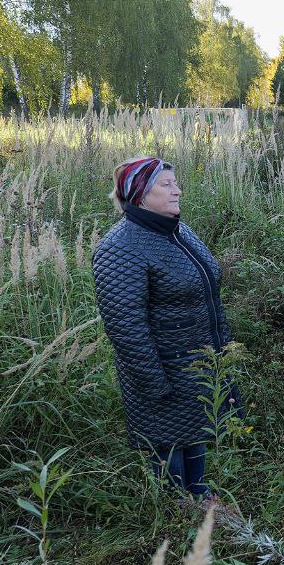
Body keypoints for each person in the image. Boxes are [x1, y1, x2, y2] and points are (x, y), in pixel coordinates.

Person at [93, 156, 235, 498]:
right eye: (166, 185)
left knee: (195, 433)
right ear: (140, 194)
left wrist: (220, 352)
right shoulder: (120, 247)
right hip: (162, 369)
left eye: (175, 183)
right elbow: (125, 326)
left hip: (196, 362)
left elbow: (205, 293)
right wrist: (154, 383)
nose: (177, 190)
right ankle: (178, 513)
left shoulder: (178, 231)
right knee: (170, 449)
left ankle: (201, 498)